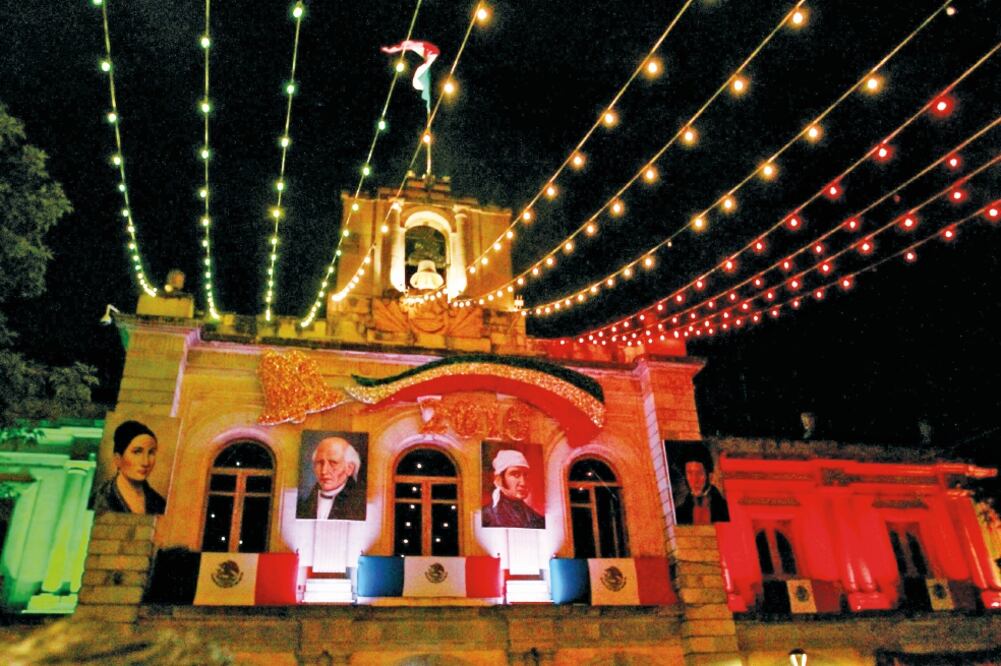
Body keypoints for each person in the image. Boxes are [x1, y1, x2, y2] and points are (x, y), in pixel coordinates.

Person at [91, 420, 167, 515]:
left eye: (151, 452)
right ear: (118, 458)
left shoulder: (159, 503)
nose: (146, 462)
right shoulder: (100, 500)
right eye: (137, 452)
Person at [296, 436, 366, 520]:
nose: (324, 471)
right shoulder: (303, 504)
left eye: (333, 463)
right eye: (320, 463)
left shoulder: (360, 505)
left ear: (350, 469)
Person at [482, 449, 545, 529]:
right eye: (515, 474)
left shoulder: (538, 519)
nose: (523, 483)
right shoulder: (487, 516)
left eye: (526, 475)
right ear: (499, 480)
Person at [674, 446, 729, 525]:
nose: (694, 480)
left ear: (710, 476)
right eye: (690, 473)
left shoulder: (726, 510)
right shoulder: (679, 514)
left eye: (699, 473)